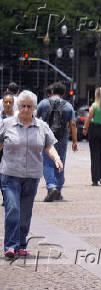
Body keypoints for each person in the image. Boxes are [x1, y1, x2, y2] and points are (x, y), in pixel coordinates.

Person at [0, 90, 63, 260]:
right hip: (10, 174)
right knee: (13, 209)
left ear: (34, 108)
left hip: (32, 176)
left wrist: (56, 158)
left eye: (29, 106)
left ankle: (21, 244)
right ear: (17, 107)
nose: (26, 109)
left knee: (25, 212)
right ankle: (10, 246)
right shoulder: (6, 124)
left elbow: (49, 145)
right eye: (22, 106)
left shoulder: (42, 126)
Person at [37, 82, 78, 201]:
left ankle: (51, 187)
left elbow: (34, 118)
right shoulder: (68, 106)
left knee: (47, 163)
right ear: (63, 93)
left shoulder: (44, 103)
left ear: (52, 90)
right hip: (62, 139)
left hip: (46, 139)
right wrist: (75, 141)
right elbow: (73, 124)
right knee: (60, 162)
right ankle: (58, 190)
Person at [82, 87, 101, 186]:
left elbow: (89, 117)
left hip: (95, 129)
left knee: (95, 154)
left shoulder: (94, 106)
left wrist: (85, 128)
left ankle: (95, 180)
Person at [0, 94, 17, 207]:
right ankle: (6, 197)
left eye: (10, 102)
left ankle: (8, 198)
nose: (8, 104)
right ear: (2, 103)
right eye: (6, 102)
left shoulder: (17, 117)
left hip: (13, 151)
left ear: (13, 103)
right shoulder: (0, 117)